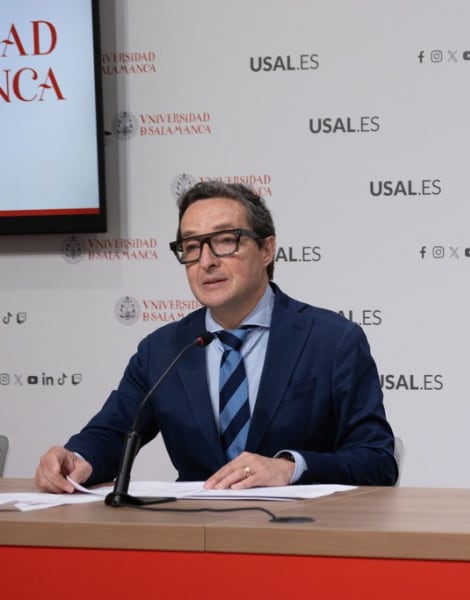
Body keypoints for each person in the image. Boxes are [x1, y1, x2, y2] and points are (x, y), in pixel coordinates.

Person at [35, 181, 397, 492]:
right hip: (194, 541)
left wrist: (290, 468)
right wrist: (75, 458)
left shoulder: (331, 340)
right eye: (192, 247)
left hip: (302, 539)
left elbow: (377, 461)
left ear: (267, 249)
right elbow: (113, 433)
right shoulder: (162, 349)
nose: (206, 261)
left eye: (225, 241)